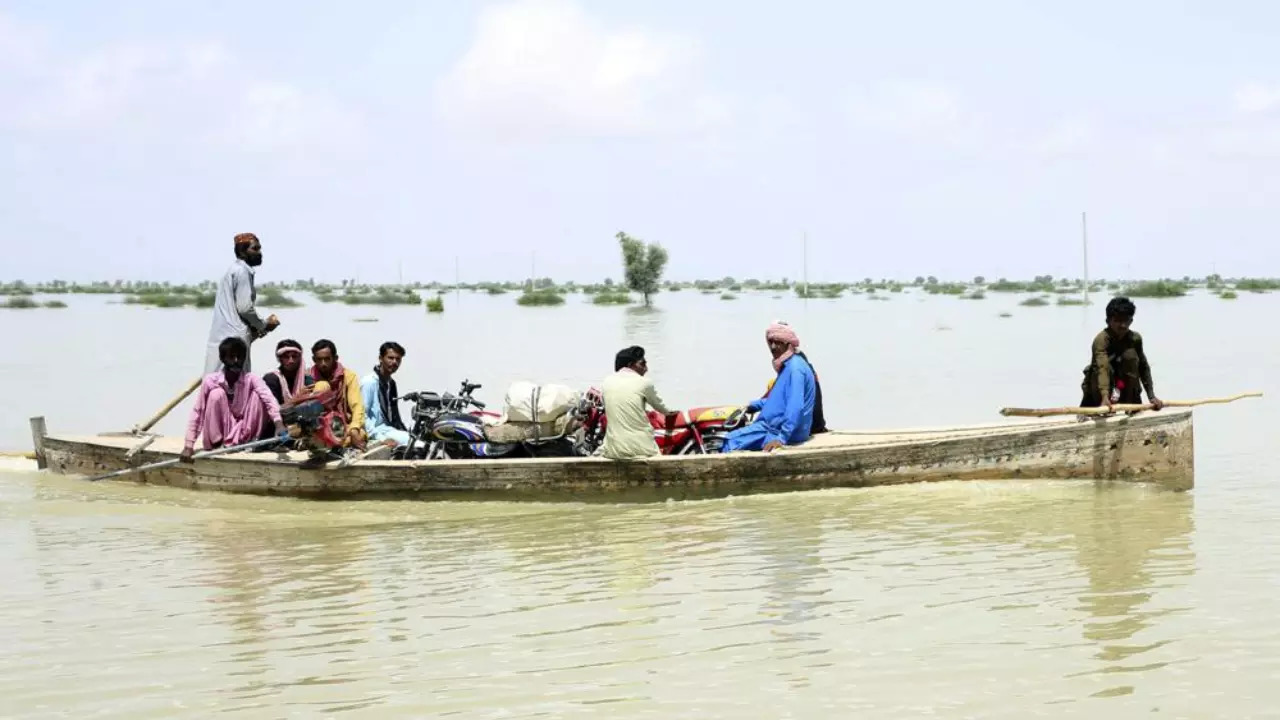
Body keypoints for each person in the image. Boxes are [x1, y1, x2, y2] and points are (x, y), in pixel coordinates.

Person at [182, 337, 287, 463]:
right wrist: (188, 445)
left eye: (240, 357)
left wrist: (278, 423)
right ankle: (218, 444)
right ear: (223, 359)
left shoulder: (251, 378)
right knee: (216, 394)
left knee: (258, 396)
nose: (236, 361)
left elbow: (269, 399)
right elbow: (198, 412)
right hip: (220, 436)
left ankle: (250, 443)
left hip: (244, 433)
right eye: (231, 357)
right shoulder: (211, 381)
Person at [722, 322, 816, 453]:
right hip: (773, 426)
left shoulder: (795, 369)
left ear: (788, 344)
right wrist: (754, 405)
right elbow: (780, 401)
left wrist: (781, 438)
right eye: (770, 342)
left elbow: (795, 406)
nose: (772, 347)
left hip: (776, 430)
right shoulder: (788, 366)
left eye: (777, 342)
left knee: (728, 441)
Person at [204, 232, 280, 374]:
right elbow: (244, 308)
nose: (260, 253)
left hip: (222, 335)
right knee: (237, 382)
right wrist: (263, 325)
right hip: (235, 338)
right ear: (242, 252)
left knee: (214, 377)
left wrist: (256, 327)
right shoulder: (242, 271)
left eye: (259, 249)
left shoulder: (233, 271)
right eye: (255, 249)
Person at [1080, 296, 1164, 412]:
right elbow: (1102, 368)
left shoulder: (1135, 339)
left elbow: (1143, 367)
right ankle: (1102, 406)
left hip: (1124, 386)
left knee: (1130, 356)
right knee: (1102, 369)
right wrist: (1104, 396)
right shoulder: (1101, 340)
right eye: (1118, 321)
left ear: (1131, 321)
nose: (1123, 325)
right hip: (1102, 389)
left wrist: (1151, 396)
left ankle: (1131, 407)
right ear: (1108, 321)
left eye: (1126, 321)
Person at [600, 346, 677, 460]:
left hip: (613, 449)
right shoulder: (644, 383)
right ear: (631, 365)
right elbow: (662, 408)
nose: (646, 368)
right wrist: (673, 412)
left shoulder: (606, 382)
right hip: (642, 449)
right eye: (643, 363)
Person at [302, 339, 367, 449]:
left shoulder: (348, 376)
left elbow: (357, 406)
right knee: (322, 385)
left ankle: (326, 443)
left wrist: (354, 428)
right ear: (314, 360)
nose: (323, 364)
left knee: (359, 434)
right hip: (317, 427)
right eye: (319, 360)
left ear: (335, 358)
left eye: (327, 359)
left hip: (341, 426)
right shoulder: (307, 378)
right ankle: (323, 441)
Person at [360, 341, 411, 449]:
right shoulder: (369, 382)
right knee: (414, 443)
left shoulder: (391, 383)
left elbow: (394, 415)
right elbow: (362, 416)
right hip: (376, 431)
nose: (394, 362)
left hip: (388, 429)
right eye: (390, 358)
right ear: (380, 358)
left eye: (398, 359)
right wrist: (381, 438)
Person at [263, 339, 313, 406]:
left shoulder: (307, 380)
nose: (291, 360)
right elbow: (272, 410)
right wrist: (297, 399)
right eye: (286, 357)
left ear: (300, 358)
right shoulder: (271, 380)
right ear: (280, 359)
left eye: (294, 356)